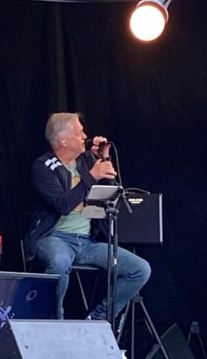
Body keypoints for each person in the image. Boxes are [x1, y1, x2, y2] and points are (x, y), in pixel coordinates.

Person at [23, 112, 151, 321]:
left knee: (140, 269)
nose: (85, 136)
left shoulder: (86, 160)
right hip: (54, 237)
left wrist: (104, 157)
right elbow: (63, 205)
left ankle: (98, 319)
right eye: (79, 132)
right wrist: (91, 176)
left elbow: (113, 191)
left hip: (86, 242)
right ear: (64, 140)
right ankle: (54, 323)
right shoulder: (43, 166)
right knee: (59, 263)